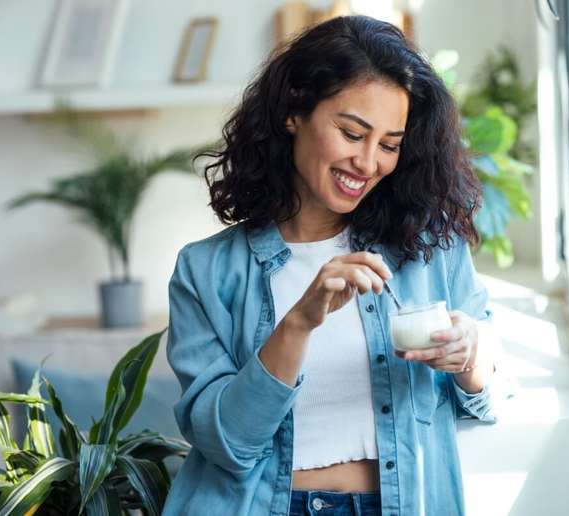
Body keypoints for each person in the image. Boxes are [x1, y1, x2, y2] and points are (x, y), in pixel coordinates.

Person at [163, 15, 498, 516]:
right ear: (294, 110)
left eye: (388, 144)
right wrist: (299, 321)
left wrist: (471, 356)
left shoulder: (428, 249)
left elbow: (484, 395)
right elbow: (228, 446)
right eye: (351, 132)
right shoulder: (205, 272)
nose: (367, 163)